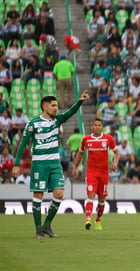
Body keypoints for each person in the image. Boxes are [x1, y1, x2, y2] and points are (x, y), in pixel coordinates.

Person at [12, 90, 90, 238]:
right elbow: (23, 144)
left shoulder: (57, 120)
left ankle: (47, 225)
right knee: (38, 195)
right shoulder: (33, 123)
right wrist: (17, 164)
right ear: (45, 107)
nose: (56, 108)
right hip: (39, 164)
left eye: (57, 105)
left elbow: (70, 112)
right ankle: (38, 229)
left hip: (54, 163)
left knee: (59, 193)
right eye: (53, 105)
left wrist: (80, 101)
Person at [72, 118, 120, 231]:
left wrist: (115, 162)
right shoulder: (86, 140)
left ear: (102, 127)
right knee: (91, 196)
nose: (97, 127)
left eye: (99, 125)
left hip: (104, 172)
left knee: (102, 200)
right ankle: (88, 219)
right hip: (91, 172)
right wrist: (75, 167)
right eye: (95, 125)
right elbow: (80, 154)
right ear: (92, 127)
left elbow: (117, 153)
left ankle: (98, 219)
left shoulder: (108, 139)